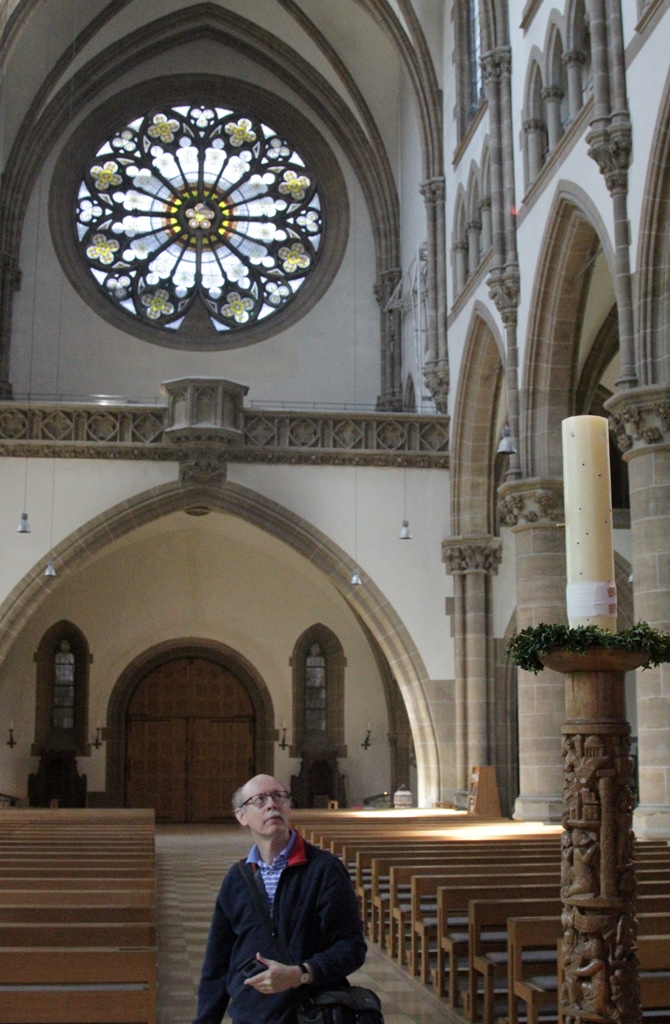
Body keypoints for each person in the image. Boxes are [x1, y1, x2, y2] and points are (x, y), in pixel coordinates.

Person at [192, 773, 367, 1024]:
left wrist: (300, 974)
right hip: (251, 1015)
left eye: (278, 797)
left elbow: (351, 947)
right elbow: (216, 963)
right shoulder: (237, 879)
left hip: (310, 1014)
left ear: (288, 809)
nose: (272, 804)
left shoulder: (323, 870)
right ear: (242, 816)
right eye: (260, 800)